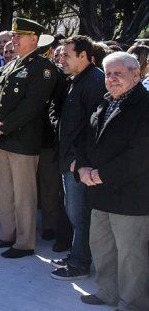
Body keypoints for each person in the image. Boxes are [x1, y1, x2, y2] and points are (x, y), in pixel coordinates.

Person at [76, 52, 149, 311]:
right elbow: (87, 141)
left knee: (131, 254)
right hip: (99, 190)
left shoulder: (145, 106)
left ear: (136, 74)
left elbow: (140, 155)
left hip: (131, 195)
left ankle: (134, 305)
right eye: (108, 74)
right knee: (102, 246)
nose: (112, 78)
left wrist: (101, 174)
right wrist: (82, 168)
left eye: (119, 73)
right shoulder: (104, 103)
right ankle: (107, 292)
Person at [0, 17, 58, 258]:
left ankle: (25, 242)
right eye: (14, 35)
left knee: (24, 194)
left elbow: (32, 106)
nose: (14, 39)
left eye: (19, 35)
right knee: (5, 191)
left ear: (34, 39)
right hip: (3, 138)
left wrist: (3, 126)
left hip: (23, 139)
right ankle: (7, 234)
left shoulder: (43, 68)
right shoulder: (11, 65)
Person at [49, 35, 106, 280]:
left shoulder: (94, 82)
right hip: (69, 161)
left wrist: (79, 160)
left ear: (83, 56)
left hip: (78, 164)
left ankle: (80, 263)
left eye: (66, 55)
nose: (61, 59)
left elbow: (94, 128)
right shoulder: (78, 80)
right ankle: (77, 253)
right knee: (75, 214)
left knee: (80, 215)